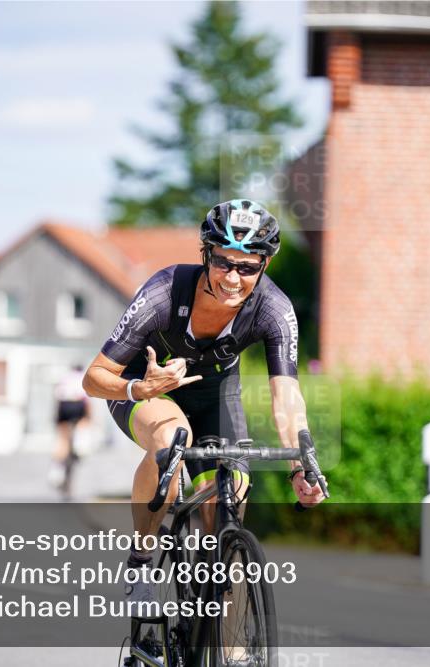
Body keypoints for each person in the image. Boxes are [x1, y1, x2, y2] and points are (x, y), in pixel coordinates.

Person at [82, 199, 327, 607]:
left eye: (247, 267)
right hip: (147, 387)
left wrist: (300, 464)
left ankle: (217, 620)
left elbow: (286, 396)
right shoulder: (165, 291)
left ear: (264, 265)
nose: (233, 277)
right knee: (171, 441)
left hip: (214, 394)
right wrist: (139, 388)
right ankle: (140, 561)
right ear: (206, 255)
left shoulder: (274, 309)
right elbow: (94, 378)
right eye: (223, 262)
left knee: (231, 493)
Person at [48, 364, 91, 496]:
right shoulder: (83, 377)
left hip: (64, 404)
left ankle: (56, 471)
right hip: (78, 402)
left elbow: (57, 397)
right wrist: (89, 418)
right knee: (83, 423)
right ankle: (80, 444)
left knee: (63, 438)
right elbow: (87, 401)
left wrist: (57, 419)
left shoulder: (64, 377)